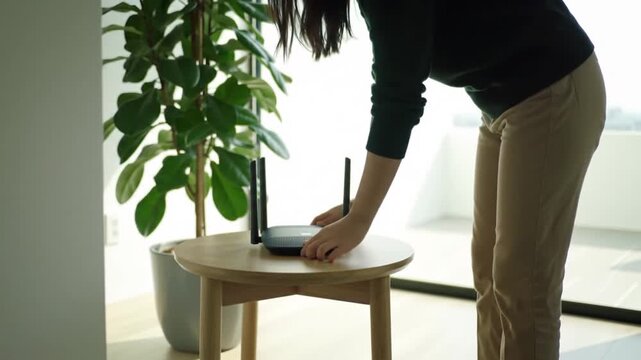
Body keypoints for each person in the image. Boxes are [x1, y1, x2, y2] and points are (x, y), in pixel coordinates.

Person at [267, 0, 606, 359]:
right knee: (490, 276)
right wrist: (356, 212)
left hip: (553, 91)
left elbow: (398, 96)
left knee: (523, 284)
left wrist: (361, 217)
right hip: (500, 106)